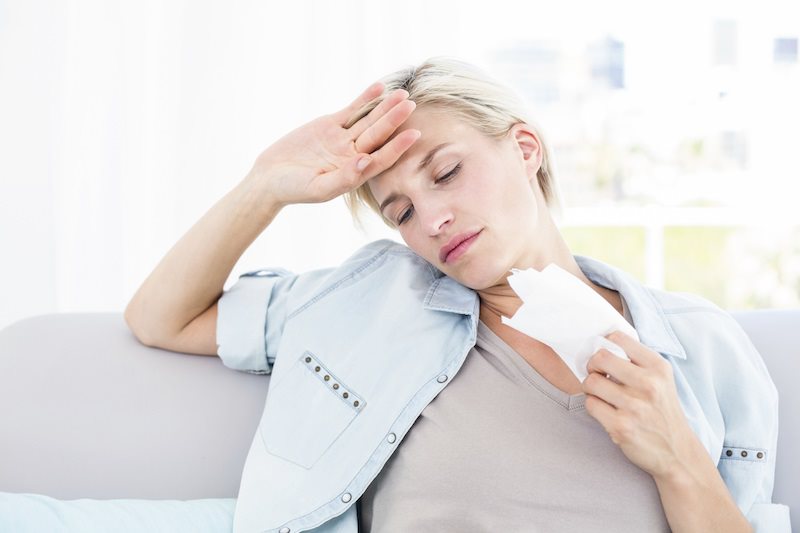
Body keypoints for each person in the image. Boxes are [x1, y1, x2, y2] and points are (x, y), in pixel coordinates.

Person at [125, 57, 790, 533]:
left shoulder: (700, 348)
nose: (432, 218)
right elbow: (158, 318)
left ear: (525, 147)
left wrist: (679, 460)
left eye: (446, 172)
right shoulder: (372, 301)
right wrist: (264, 185)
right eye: (402, 212)